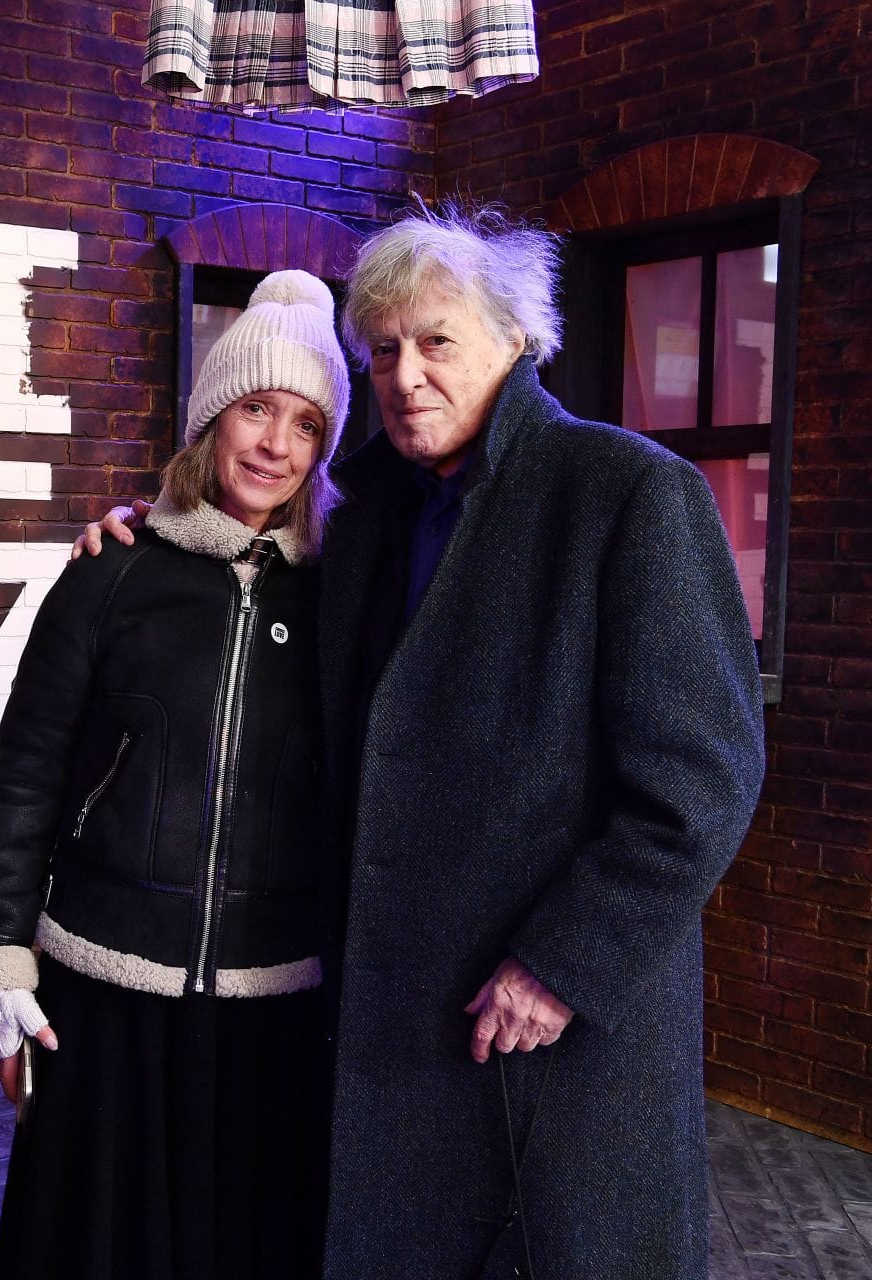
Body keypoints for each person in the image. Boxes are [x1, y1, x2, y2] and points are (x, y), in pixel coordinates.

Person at [82, 206, 767, 1279]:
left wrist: (561, 964)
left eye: (436, 341)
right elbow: (247, 580)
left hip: (546, 1032)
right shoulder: (365, 517)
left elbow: (702, 784)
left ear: (514, 337)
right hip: (393, 1023)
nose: (405, 375)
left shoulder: (629, 493)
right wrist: (149, 539)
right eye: (384, 349)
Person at [0, 271, 350, 1280]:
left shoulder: (346, 594)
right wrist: (0, 971)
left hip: (276, 994)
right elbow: (26, 776)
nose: (275, 443)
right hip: (105, 980)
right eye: (256, 407)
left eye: (305, 423)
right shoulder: (109, 570)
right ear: (212, 415)